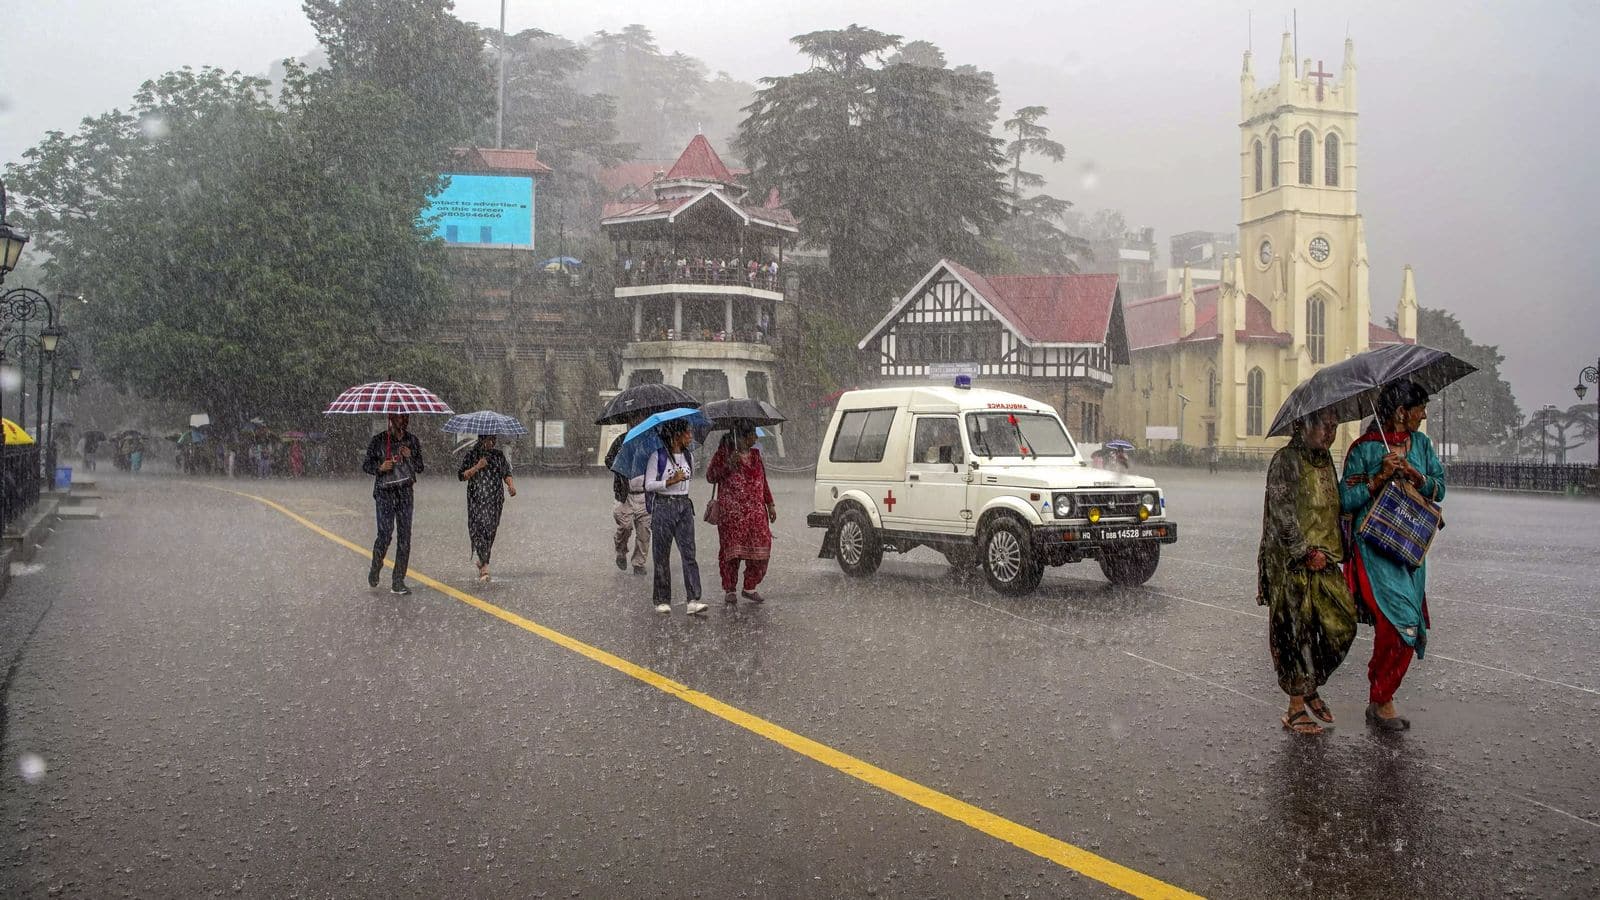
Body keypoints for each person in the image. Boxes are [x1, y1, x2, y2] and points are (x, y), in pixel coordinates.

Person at [1340, 379, 1445, 732]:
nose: (1424, 415)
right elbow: (1346, 500)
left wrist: (1418, 477)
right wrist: (1380, 477)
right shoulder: (1364, 450)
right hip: (1373, 548)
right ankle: (1382, 697)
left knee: (1409, 624)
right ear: (1401, 413)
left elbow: (1440, 487)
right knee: (1398, 621)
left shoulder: (1422, 446)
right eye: (1419, 409)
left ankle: (1380, 695)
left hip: (1409, 548)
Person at [1257, 408, 1357, 735]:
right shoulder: (1286, 461)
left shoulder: (1324, 459)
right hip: (1291, 563)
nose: (1330, 434)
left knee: (1341, 625)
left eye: (1334, 427)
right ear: (1303, 425)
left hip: (1325, 559)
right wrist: (1303, 551)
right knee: (1295, 633)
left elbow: (1331, 504)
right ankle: (1296, 707)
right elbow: (1282, 513)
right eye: (1325, 426)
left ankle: (1310, 682)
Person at [706, 422, 777, 604]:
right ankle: (730, 589)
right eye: (753, 433)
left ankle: (750, 586)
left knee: (762, 548)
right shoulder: (724, 454)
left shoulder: (756, 455)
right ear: (743, 437)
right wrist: (728, 465)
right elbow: (711, 476)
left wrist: (770, 504)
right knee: (731, 553)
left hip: (756, 514)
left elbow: (763, 481)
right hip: (732, 515)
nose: (756, 437)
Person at [644, 419, 707, 616]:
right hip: (664, 506)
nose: (690, 436)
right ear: (676, 435)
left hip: (684, 507)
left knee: (689, 554)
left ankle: (693, 599)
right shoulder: (658, 456)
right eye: (687, 433)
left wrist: (680, 484)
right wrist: (670, 481)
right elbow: (648, 485)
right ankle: (662, 599)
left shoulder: (688, 456)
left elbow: (689, 480)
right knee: (661, 555)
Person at [363, 413, 425, 595]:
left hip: (405, 491)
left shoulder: (412, 440)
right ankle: (376, 565)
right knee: (385, 534)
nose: (403, 421)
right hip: (385, 493)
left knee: (405, 536)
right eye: (398, 417)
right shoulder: (379, 440)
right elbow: (366, 465)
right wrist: (380, 467)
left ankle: (398, 580)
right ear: (391, 419)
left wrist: (410, 455)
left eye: (405, 417)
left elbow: (420, 467)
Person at [458, 434, 516, 582]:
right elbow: (462, 476)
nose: (492, 442)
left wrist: (510, 485)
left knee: (490, 530)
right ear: (482, 439)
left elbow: (506, 473)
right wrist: (477, 466)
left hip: (495, 500)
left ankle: (482, 558)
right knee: (479, 529)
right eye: (489, 440)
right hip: (476, 499)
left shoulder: (498, 455)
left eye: (494, 440)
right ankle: (484, 566)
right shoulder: (472, 455)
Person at [606, 420, 650, 576]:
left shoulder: (649, 441)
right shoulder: (621, 441)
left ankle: (639, 563)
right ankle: (620, 550)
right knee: (625, 527)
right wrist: (621, 465)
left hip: (644, 495)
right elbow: (608, 459)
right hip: (625, 495)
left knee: (644, 531)